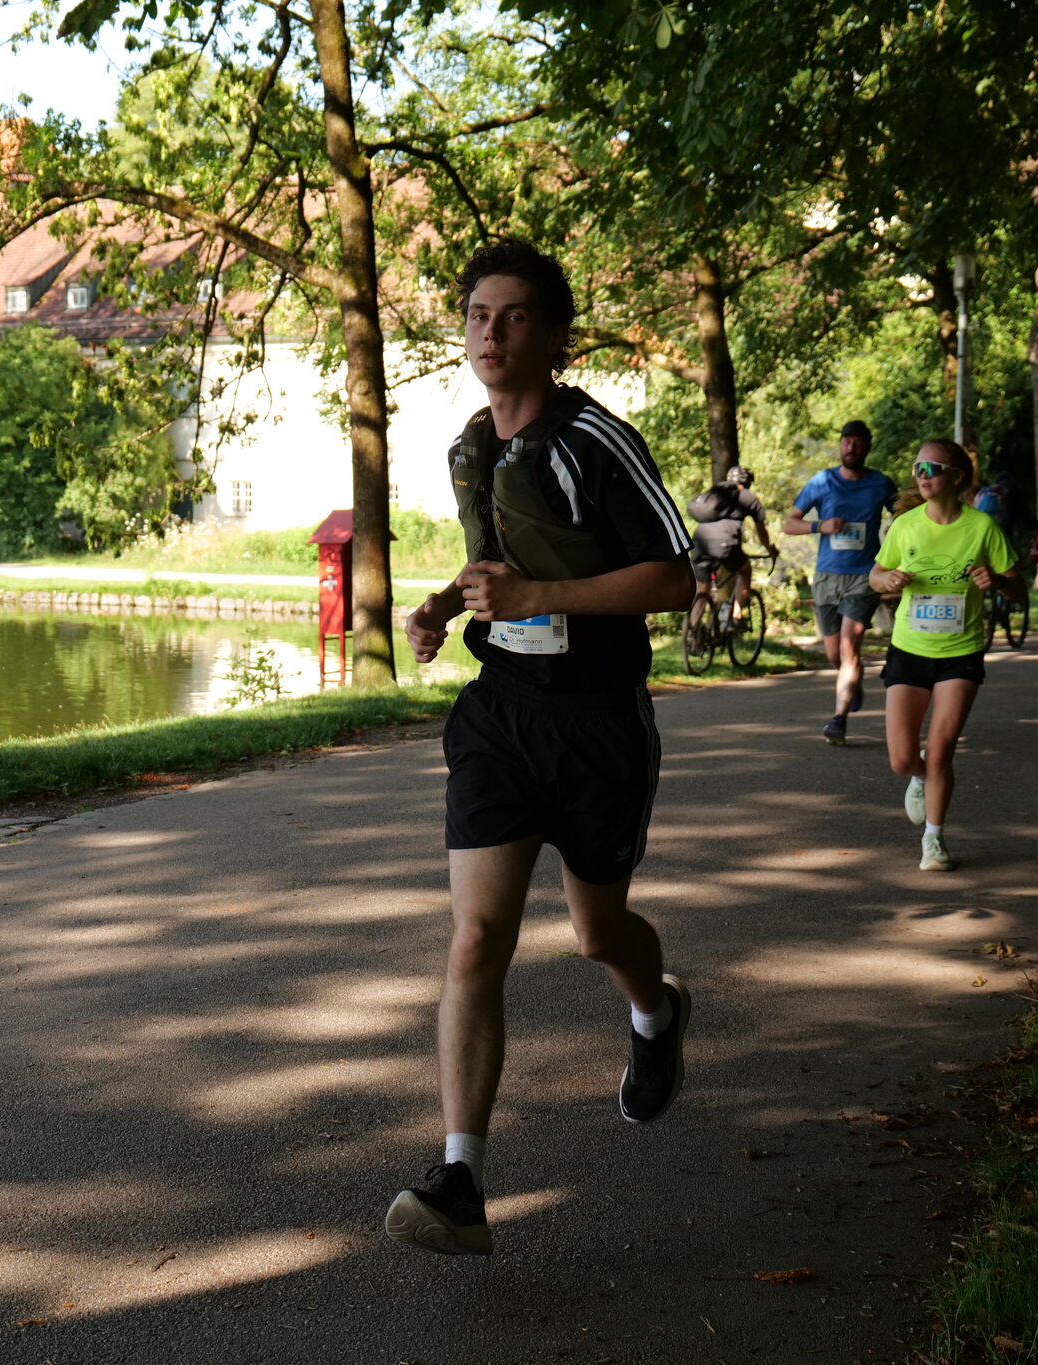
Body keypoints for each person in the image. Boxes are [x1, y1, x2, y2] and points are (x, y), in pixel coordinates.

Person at [390, 239, 697, 1257]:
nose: (491, 333)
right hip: (501, 714)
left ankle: (654, 1014)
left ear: (555, 335)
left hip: (598, 721)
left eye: (515, 315)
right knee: (476, 938)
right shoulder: (472, 444)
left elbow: (674, 577)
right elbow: (496, 559)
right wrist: (446, 603)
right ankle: (459, 1179)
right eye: (478, 314)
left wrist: (540, 595)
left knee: (598, 933)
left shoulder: (596, 441)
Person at [869, 440, 1023, 871]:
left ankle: (933, 839)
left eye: (932, 468)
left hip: (961, 652)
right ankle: (919, 777)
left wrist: (997, 581)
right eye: (917, 468)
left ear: (957, 476)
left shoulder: (983, 527)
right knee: (902, 759)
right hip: (909, 650)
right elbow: (875, 575)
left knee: (940, 751)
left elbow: (1017, 587)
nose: (922, 475)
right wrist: (888, 579)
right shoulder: (905, 525)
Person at [785, 420, 899, 745]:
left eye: (858, 442)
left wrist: (894, 529)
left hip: (864, 576)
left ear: (867, 447)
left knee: (849, 647)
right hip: (827, 576)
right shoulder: (822, 481)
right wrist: (819, 526)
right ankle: (852, 681)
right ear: (840, 445)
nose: (851, 447)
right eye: (846, 441)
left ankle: (839, 719)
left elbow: (903, 514)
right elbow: (789, 524)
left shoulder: (881, 483)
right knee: (835, 653)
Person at [687, 465, 777, 625]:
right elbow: (761, 532)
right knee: (745, 571)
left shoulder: (714, 493)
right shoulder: (748, 497)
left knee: (702, 588)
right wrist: (770, 549)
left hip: (699, 541)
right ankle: (736, 616)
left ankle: (692, 629)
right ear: (748, 482)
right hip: (725, 543)